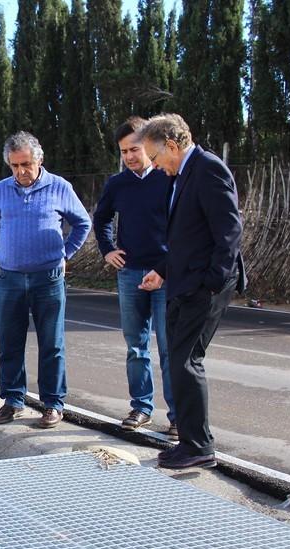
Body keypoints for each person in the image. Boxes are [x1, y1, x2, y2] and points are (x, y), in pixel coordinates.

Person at [137, 113, 246, 469]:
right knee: (177, 360)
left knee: (186, 361)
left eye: (155, 158)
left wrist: (212, 282)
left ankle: (199, 446)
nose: (156, 166)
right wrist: (163, 272)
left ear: (172, 145)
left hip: (204, 286)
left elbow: (228, 232)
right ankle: (188, 441)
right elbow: (188, 238)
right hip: (183, 282)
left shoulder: (208, 169)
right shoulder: (183, 175)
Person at [0, 131, 92, 428]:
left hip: (49, 278)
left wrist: (65, 253)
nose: (21, 172)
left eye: (26, 164)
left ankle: (53, 404)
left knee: (51, 344)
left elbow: (82, 222)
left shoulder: (59, 187)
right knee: (10, 341)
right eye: (15, 166)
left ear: (39, 159)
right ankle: (13, 399)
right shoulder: (2, 190)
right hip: (10, 278)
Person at [94, 117, 177, 440]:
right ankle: (141, 407)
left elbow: (183, 225)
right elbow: (100, 219)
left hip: (165, 275)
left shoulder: (167, 178)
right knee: (136, 346)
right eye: (124, 151)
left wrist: (168, 265)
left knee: (170, 347)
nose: (129, 156)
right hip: (129, 274)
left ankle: (177, 417)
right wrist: (107, 250)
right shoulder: (117, 184)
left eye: (135, 149)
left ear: (150, 145)